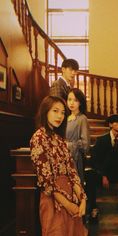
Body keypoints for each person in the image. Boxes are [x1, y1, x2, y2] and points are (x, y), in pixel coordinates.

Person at [30, 95, 87, 236]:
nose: (60, 116)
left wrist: (82, 199)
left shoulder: (60, 139)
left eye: (62, 112)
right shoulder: (38, 138)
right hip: (53, 199)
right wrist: (68, 205)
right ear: (45, 111)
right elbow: (46, 181)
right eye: (55, 111)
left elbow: (72, 171)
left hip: (71, 194)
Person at [86, 114, 118, 223]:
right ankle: (93, 209)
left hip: (116, 173)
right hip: (103, 174)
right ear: (110, 124)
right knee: (89, 174)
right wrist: (102, 175)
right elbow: (94, 160)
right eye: (116, 122)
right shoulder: (102, 140)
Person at [66, 88, 90, 185]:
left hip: (75, 158)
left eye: (75, 100)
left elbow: (85, 145)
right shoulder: (65, 118)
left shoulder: (82, 119)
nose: (71, 103)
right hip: (64, 157)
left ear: (80, 102)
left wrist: (69, 145)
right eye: (69, 99)